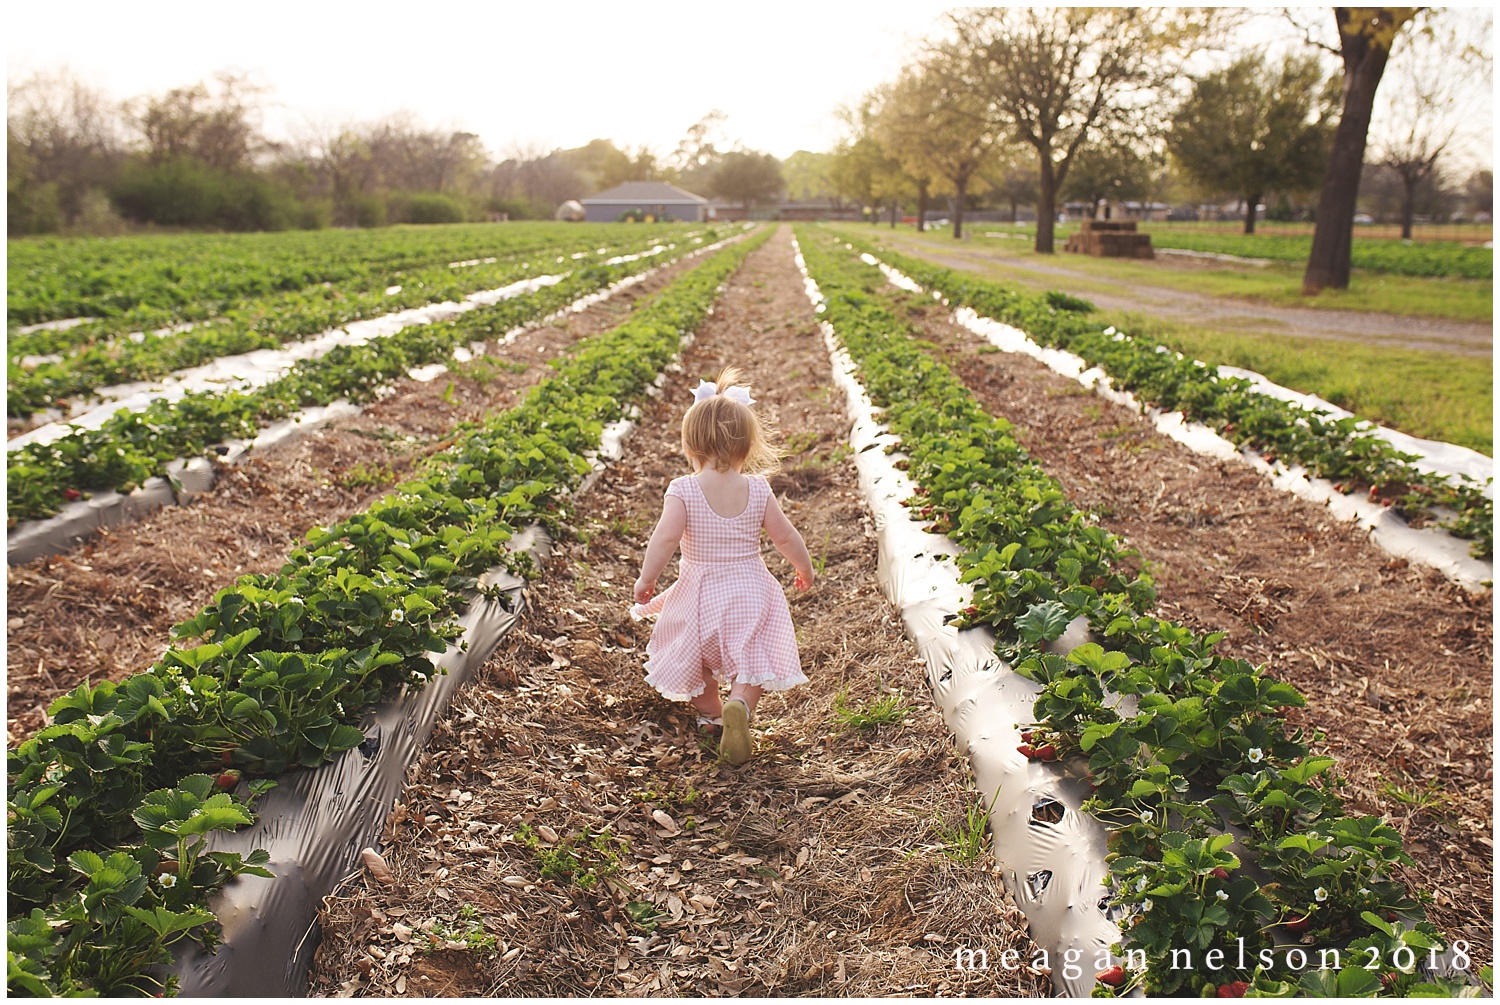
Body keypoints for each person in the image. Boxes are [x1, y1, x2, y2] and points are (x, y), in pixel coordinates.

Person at [631, 367, 814, 764]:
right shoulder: (757, 488)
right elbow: (785, 536)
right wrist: (804, 567)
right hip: (749, 591)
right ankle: (741, 709)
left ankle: (712, 715)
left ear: (690, 445)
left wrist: (648, 579)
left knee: (691, 659)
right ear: (747, 446)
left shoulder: (683, 491)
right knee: (753, 659)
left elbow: (664, 539)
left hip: (697, 595)